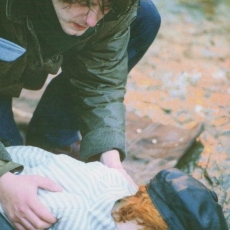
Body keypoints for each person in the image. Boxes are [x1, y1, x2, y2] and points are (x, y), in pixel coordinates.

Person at [0, 0, 161, 228]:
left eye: (104, 8)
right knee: (15, 177)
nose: (92, 20)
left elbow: (100, 81)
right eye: (84, 3)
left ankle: (54, 137)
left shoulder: (111, 9)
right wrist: (3, 178)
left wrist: (111, 160)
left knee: (145, 16)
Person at [0, 145, 228, 230]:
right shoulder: (75, 216)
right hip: (15, 187)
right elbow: (22, 210)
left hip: (27, 155)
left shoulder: (122, 187)